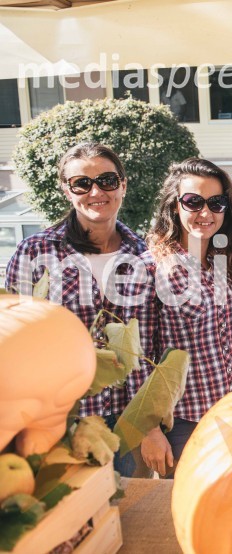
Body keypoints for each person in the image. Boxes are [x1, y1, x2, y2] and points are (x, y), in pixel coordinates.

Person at [4, 142, 157, 477]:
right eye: (82, 183)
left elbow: (152, 344)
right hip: (63, 423)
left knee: (132, 519)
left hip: (129, 424)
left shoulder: (145, 254)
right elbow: (13, 341)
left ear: (123, 184)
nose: (96, 191)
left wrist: (151, 424)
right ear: (67, 190)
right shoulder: (36, 252)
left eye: (106, 180)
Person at [142, 158, 232, 477]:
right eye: (193, 202)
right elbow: (138, 358)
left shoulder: (222, 263)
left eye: (216, 203)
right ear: (175, 206)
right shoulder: (151, 268)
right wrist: (149, 431)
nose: (206, 213)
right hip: (184, 425)